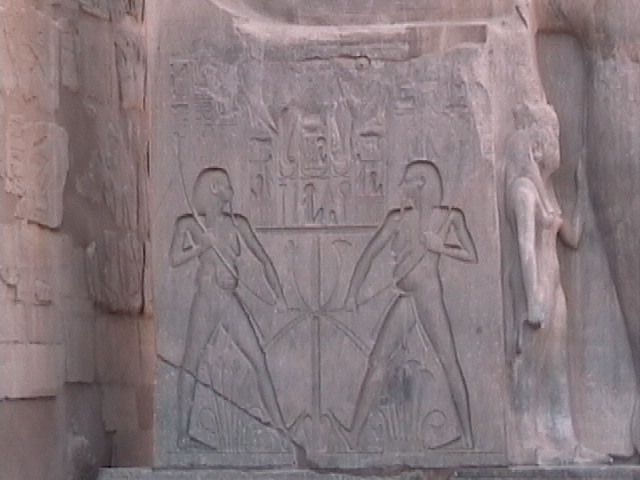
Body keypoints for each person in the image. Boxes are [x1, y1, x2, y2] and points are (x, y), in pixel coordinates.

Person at [338, 160, 477, 449]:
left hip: (428, 296)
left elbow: (471, 255)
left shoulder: (449, 217)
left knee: (448, 360)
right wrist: (352, 294)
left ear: (422, 185)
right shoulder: (397, 220)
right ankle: (353, 436)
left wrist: (441, 247)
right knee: (378, 360)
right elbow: (369, 255)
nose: (402, 187)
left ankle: (468, 438)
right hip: (406, 298)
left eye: (407, 182)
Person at [505, 102, 608, 464]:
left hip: (555, 286)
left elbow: (573, 237)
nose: (555, 146)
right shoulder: (523, 190)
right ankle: (527, 440)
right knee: (529, 367)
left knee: (557, 369)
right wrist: (533, 298)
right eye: (551, 138)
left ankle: (565, 440)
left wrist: (582, 190)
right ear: (536, 144)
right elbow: (524, 248)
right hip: (533, 288)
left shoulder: (545, 191)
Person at [170, 167, 288, 446]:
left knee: (258, 358)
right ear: (213, 189)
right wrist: (201, 247)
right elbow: (174, 259)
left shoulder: (237, 224)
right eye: (225, 184)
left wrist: (279, 296)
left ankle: (281, 428)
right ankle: (181, 435)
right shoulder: (190, 224)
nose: (230, 190)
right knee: (190, 363)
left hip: (228, 299)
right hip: (206, 299)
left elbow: (263, 259)